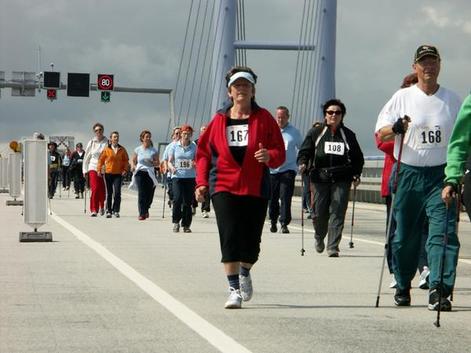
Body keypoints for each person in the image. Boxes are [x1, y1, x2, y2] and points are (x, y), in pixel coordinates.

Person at [375, 45, 461, 311]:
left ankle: (439, 289)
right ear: (415, 67)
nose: (429, 67)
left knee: (442, 234)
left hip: (441, 174)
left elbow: (462, 138)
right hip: (409, 173)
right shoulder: (402, 97)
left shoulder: (452, 99)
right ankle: (402, 283)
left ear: (440, 65)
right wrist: (397, 127)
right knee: (405, 237)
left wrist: (456, 175)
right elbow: (381, 133)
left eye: (433, 62)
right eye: (423, 62)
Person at [195, 66, 285, 309]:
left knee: (252, 244)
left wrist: (270, 156)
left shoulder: (264, 118)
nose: (241, 89)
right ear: (229, 92)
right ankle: (233, 288)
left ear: (253, 90)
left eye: (246, 85)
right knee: (230, 236)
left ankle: (245, 270)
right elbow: (203, 153)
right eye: (237, 86)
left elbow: (280, 152)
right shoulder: (219, 120)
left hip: (255, 187)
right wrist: (202, 183)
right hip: (223, 184)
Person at [376, 72, 430, 290]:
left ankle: (425, 268)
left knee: (424, 228)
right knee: (398, 230)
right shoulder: (396, 107)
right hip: (397, 177)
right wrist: (401, 137)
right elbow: (381, 141)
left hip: (426, 177)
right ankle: (395, 270)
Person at [298, 99, 364, 258]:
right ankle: (319, 236)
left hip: (342, 177)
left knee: (338, 211)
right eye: (330, 112)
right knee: (319, 213)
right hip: (320, 177)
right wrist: (302, 163)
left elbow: (357, 157)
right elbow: (305, 152)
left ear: (342, 116)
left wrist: (356, 173)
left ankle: (333, 246)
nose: (334, 115)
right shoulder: (316, 132)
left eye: (337, 112)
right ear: (325, 115)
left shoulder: (348, 134)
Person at [268, 106, 302, 234]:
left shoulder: (294, 132)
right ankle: (273, 220)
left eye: (283, 117)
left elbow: (302, 148)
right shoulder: (270, 131)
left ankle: (284, 223)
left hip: (288, 169)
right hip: (272, 170)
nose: (280, 120)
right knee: (272, 198)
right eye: (278, 117)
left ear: (288, 117)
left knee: (285, 197)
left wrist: (302, 163)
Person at [168, 124, 197, 233]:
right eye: (185, 134)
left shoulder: (194, 146)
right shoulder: (174, 146)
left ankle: (186, 225)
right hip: (177, 176)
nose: (186, 136)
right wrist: (171, 168)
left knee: (187, 202)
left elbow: (198, 160)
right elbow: (169, 161)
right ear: (181, 134)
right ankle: (176, 222)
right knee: (177, 199)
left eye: (189, 134)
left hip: (190, 177)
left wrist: (195, 164)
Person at [97, 131, 129, 218]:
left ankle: (116, 210)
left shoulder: (122, 149)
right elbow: (101, 160)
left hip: (118, 174)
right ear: (111, 139)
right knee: (109, 193)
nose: (116, 138)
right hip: (108, 173)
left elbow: (126, 161)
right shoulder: (107, 149)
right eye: (114, 137)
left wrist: (125, 169)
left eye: (117, 137)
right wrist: (99, 170)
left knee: (117, 192)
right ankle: (109, 210)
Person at [129, 130, 159, 220]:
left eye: (149, 137)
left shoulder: (153, 150)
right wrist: (133, 166)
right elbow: (133, 160)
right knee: (142, 192)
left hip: (150, 172)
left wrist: (152, 162)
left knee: (149, 193)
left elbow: (157, 162)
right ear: (142, 138)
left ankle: (146, 208)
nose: (148, 138)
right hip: (140, 172)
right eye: (146, 137)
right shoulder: (137, 149)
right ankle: (142, 213)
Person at [83, 123, 108, 216]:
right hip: (93, 166)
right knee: (95, 188)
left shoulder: (107, 142)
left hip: (103, 168)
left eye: (100, 129)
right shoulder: (91, 142)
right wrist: (84, 170)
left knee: (102, 189)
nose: (99, 132)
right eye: (96, 130)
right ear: (94, 132)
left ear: (103, 130)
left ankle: (102, 205)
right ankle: (94, 209)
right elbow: (86, 157)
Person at [162, 127, 181, 209]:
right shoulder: (169, 146)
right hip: (171, 173)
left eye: (180, 133)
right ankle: (172, 202)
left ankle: (178, 205)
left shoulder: (185, 145)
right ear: (173, 135)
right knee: (171, 191)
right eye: (176, 133)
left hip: (182, 174)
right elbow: (165, 159)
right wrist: (166, 168)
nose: (178, 135)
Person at [195, 124, 211, 218]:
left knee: (207, 190)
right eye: (203, 130)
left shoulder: (211, 142)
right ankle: (193, 205)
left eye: (206, 129)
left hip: (208, 169)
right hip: (196, 169)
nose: (204, 131)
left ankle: (205, 209)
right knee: (196, 188)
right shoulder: (195, 143)